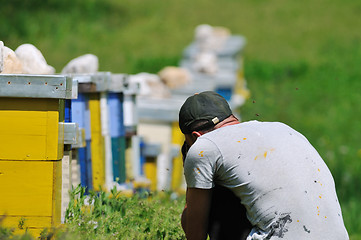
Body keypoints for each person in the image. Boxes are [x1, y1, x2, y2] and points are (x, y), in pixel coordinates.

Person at [179, 91, 349, 240]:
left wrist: (193, 176)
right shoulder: (282, 128)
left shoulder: (204, 147)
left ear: (195, 136)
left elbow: (195, 235)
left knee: (215, 194)